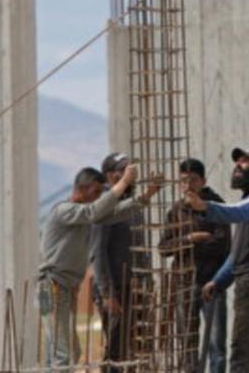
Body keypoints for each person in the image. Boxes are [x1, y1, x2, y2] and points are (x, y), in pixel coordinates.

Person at [38, 163, 161, 371]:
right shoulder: (64, 211)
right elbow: (95, 211)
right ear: (82, 190)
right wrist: (123, 183)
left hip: (63, 288)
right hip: (51, 287)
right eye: (96, 192)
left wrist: (145, 196)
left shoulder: (84, 215)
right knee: (63, 354)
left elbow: (115, 213)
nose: (98, 197)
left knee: (64, 353)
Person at [184, 148, 249, 373]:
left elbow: (239, 212)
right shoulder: (248, 203)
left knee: (241, 353)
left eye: (245, 162)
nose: (237, 166)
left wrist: (205, 207)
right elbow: (237, 255)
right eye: (236, 162)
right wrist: (217, 281)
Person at [162, 158, 231, 373]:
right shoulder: (176, 211)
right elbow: (164, 248)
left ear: (203, 181)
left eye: (193, 180)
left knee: (215, 344)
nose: (188, 185)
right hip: (184, 283)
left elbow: (223, 244)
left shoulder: (216, 207)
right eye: (183, 181)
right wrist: (190, 239)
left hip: (211, 283)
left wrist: (194, 245)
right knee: (187, 343)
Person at [90, 152, 147, 369]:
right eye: (124, 171)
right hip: (114, 288)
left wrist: (146, 280)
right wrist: (107, 294)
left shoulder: (132, 206)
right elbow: (97, 253)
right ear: (111, 176)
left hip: (132, 286)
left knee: (132, 348)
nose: (131, 175)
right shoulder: (104, 206)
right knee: (117, 348)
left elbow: (140, 249)